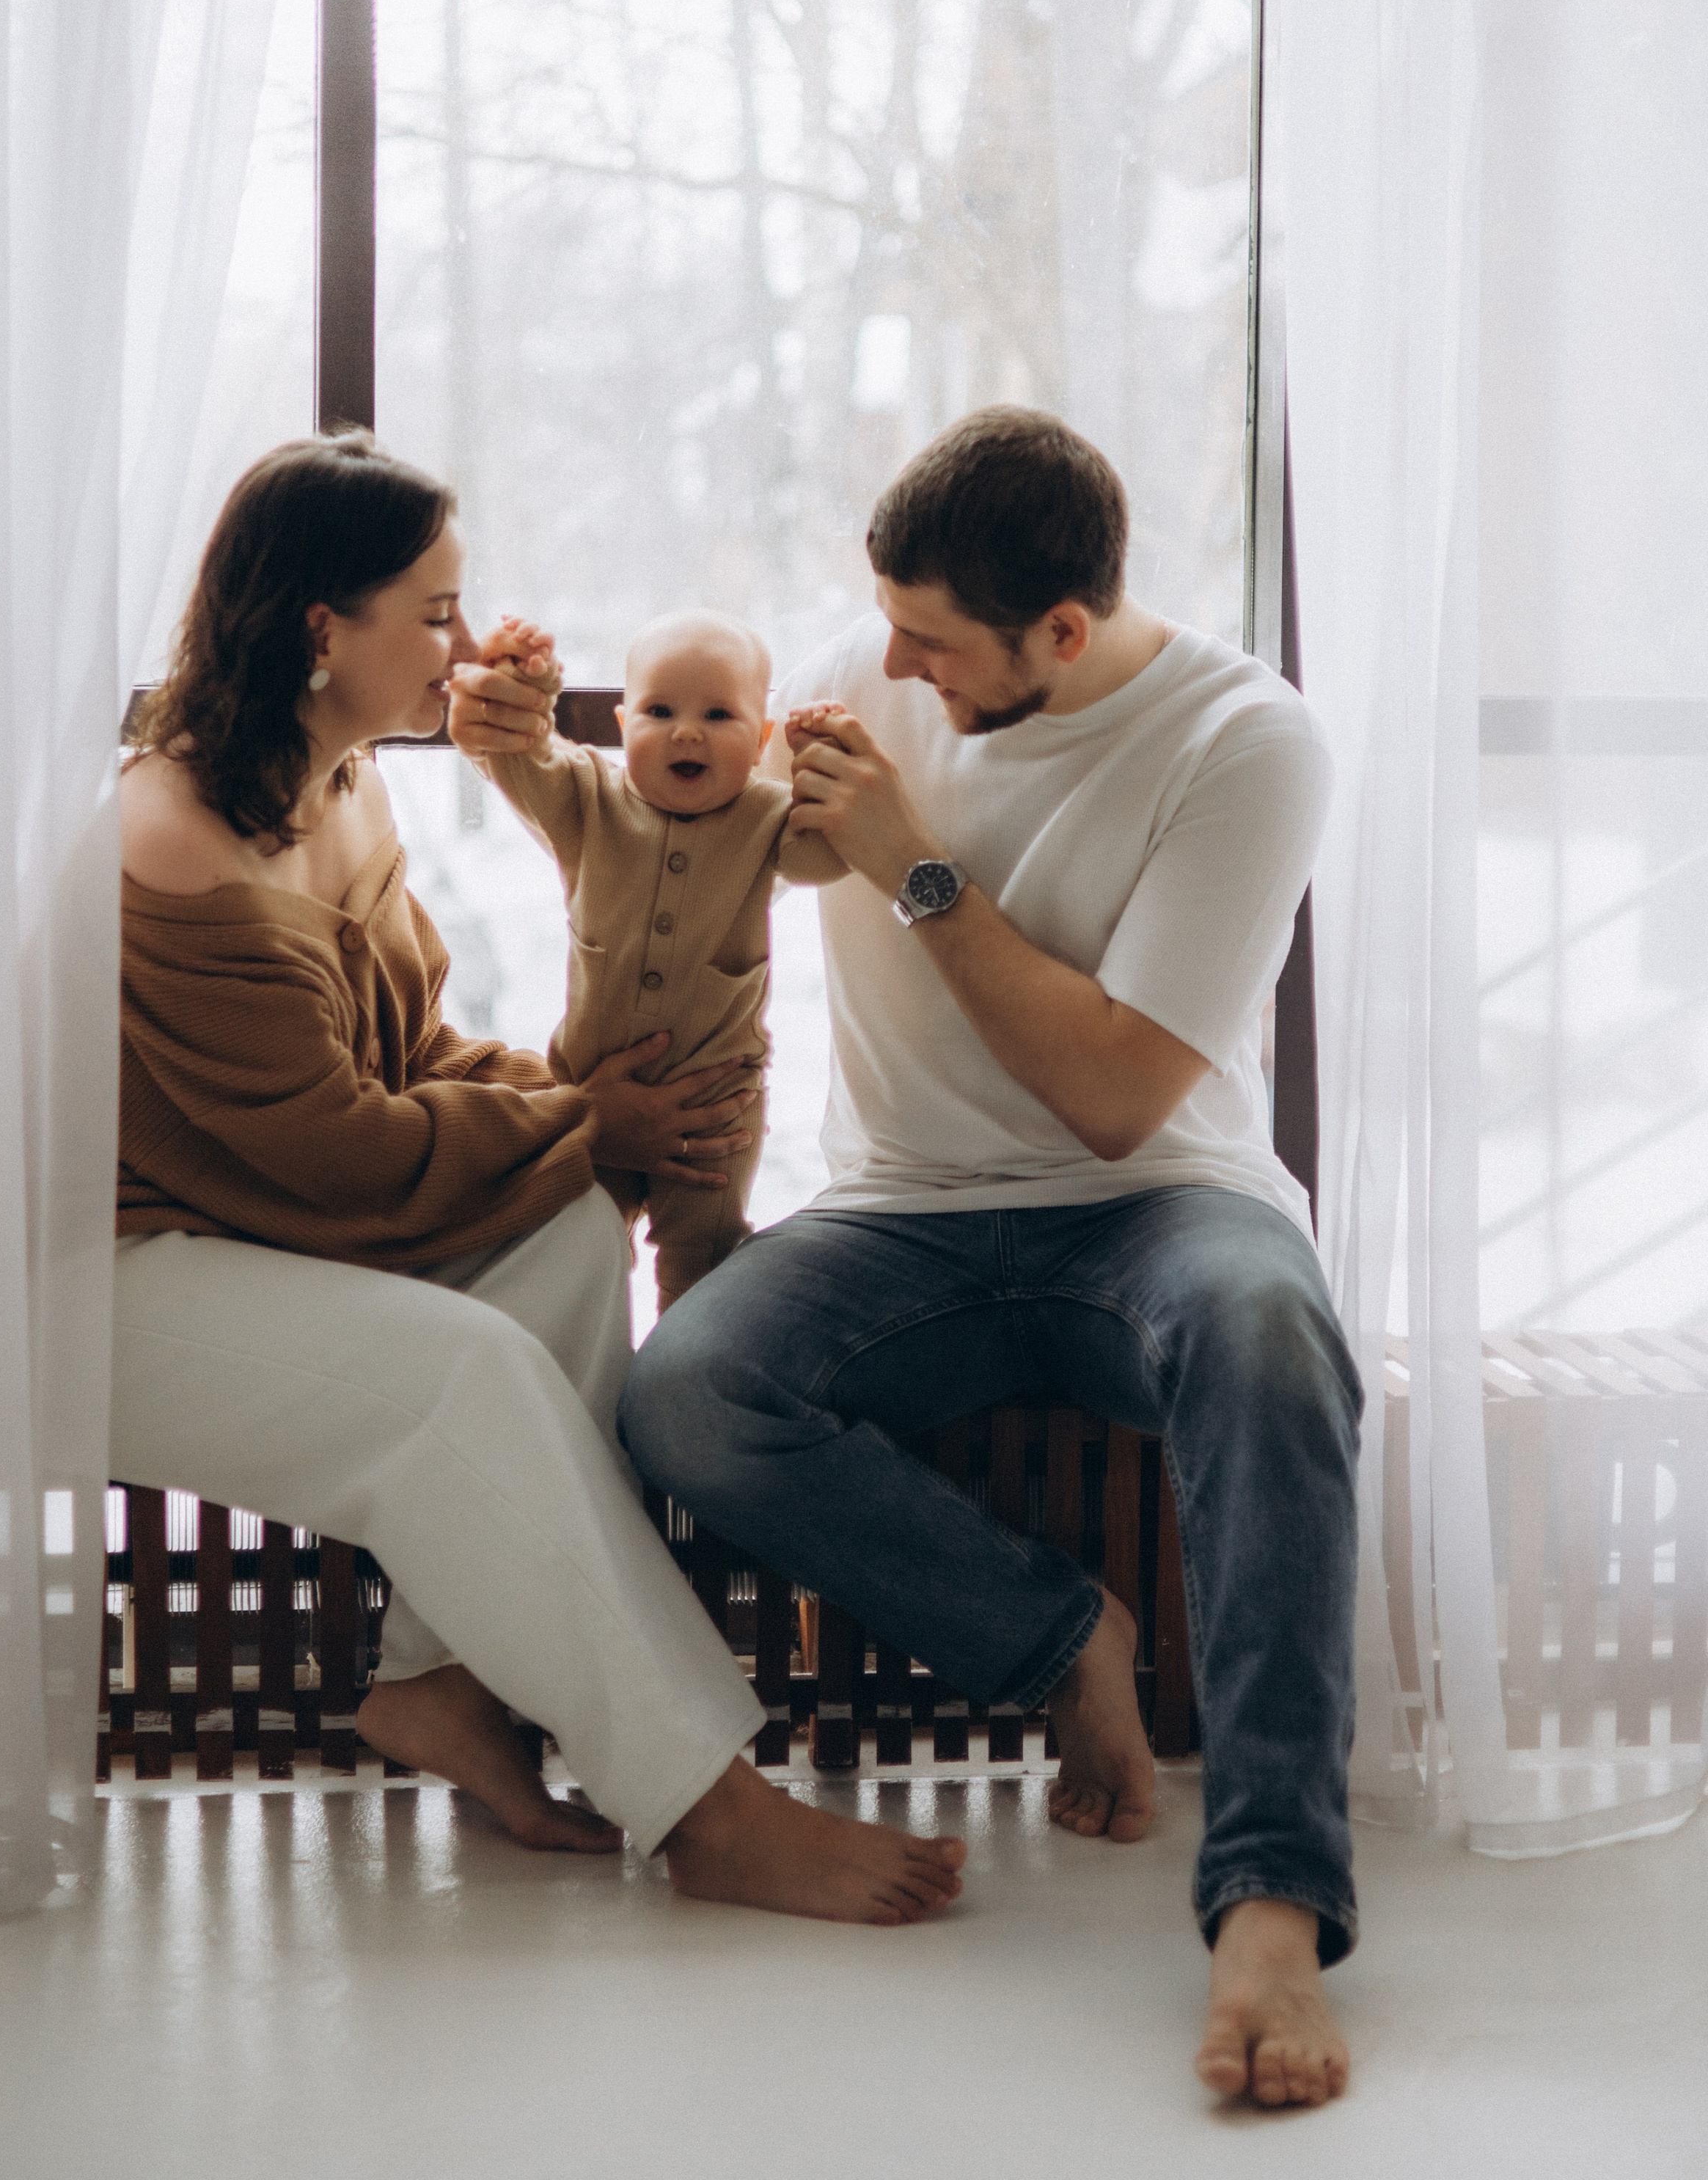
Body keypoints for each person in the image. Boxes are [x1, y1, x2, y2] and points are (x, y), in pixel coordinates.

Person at [606, 407, 1360, 2107]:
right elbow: (668, 840)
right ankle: (1051, 1635)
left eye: (929, 644)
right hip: (904, 1210)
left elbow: (1107, 1095)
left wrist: (910, 865)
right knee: (690, 1391)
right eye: (882, 623)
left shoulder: (1242, 739)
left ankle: (1269, 1899)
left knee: (1266, 1336)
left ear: (1063, 634)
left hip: (1162, 1196)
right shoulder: (862, 680)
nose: (885, 666)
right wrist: (527, 749)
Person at [113, 431, 964, 1926]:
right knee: (464, 1373)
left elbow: (415, 1050)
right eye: (434, 611)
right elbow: (338, 1156)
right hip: (107, 1275)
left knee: (571, 1237)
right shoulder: (176, 845)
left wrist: (586, 1126)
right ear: (326, 628)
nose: (465, 638)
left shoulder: (340, 780)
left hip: (258, 1224)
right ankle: (707, 1804)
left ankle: (438, 1689)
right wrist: (589, 1113)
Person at [472, 609, 844, 1308]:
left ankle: (670, 1388)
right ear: (623, 726)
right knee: (575, 1253)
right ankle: (588, 1388)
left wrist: (821, 769)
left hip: (714, 1118)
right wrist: (526, 683)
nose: (687, 731)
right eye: (660, 710)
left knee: (701, 1259)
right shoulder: (588, 798)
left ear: (761, 738)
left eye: (719, 714)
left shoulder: (765, 816)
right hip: (590, 1094)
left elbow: (830, 854)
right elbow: (519, 758)